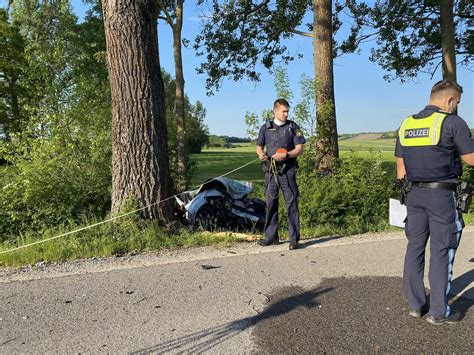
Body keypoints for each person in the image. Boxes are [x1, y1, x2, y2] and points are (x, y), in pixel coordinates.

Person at [395, 80, 474, 325]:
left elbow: (400, 168)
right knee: (442, 250)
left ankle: (416, 305)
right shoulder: (452, 122)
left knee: (414, 248)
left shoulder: (406, 124)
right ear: (450, 100)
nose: (456, 107)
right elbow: (471, 159)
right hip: (441, 196)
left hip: (413, 196)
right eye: (457, 103)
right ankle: (439, 312)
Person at [256, 98, 306, 250]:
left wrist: (287, 155)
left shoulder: (293, 126)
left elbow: (299, 149)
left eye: (287, 111)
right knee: (271, 204)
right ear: (275, 111)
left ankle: (294, 240)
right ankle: (271, 238)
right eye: (283, 111)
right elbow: (258, 147)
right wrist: (261, 154)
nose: (286, 114)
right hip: (270, 172)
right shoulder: (265, 127)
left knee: (291, 204)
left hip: (287, 171)